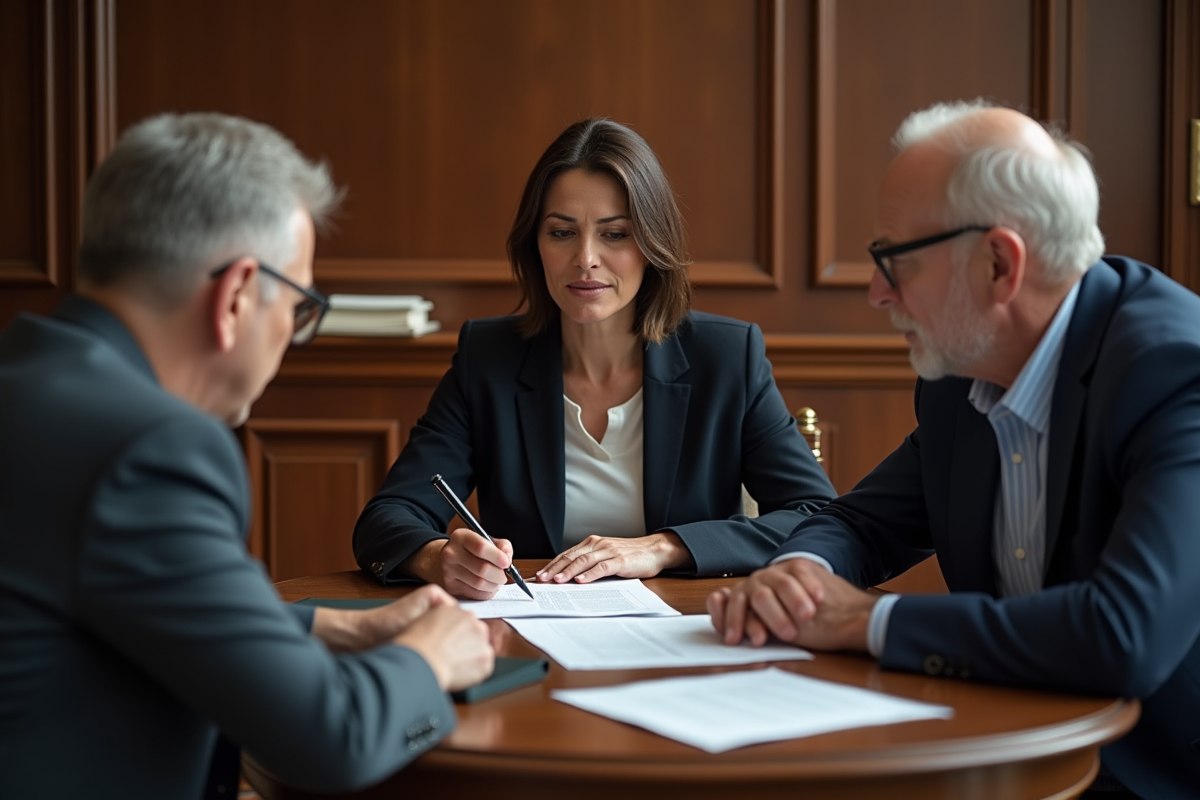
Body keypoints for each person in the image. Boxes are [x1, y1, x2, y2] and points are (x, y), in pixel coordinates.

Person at [708, 100, 1200, 799]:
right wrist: (798, 575)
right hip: (1006, 752)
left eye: (894, 260)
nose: (878, 293)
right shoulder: (960, 375)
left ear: (1000, 263)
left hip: (1162, 773)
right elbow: (861, 522)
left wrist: (867, 620)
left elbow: (1125, 635)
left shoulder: (1176, 371)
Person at [0, 113, 494, 799]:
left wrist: (335, 628)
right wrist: (430, 657)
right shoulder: (151, 451)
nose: (292, 337)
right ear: (235, 296)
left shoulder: (27, 380)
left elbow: (120, 601)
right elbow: (332, 741)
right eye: (299, 306)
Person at [354, 118, 835, 599]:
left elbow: (815, 516)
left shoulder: (727, 357)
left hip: (686, 635)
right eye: (562, 233)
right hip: (536, 635)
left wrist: (665, 547)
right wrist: (437, 557)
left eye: (615, 234)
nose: (585, 258)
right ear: (535, 246)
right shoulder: (489, 358)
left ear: (652, 244)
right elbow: (388, 517)